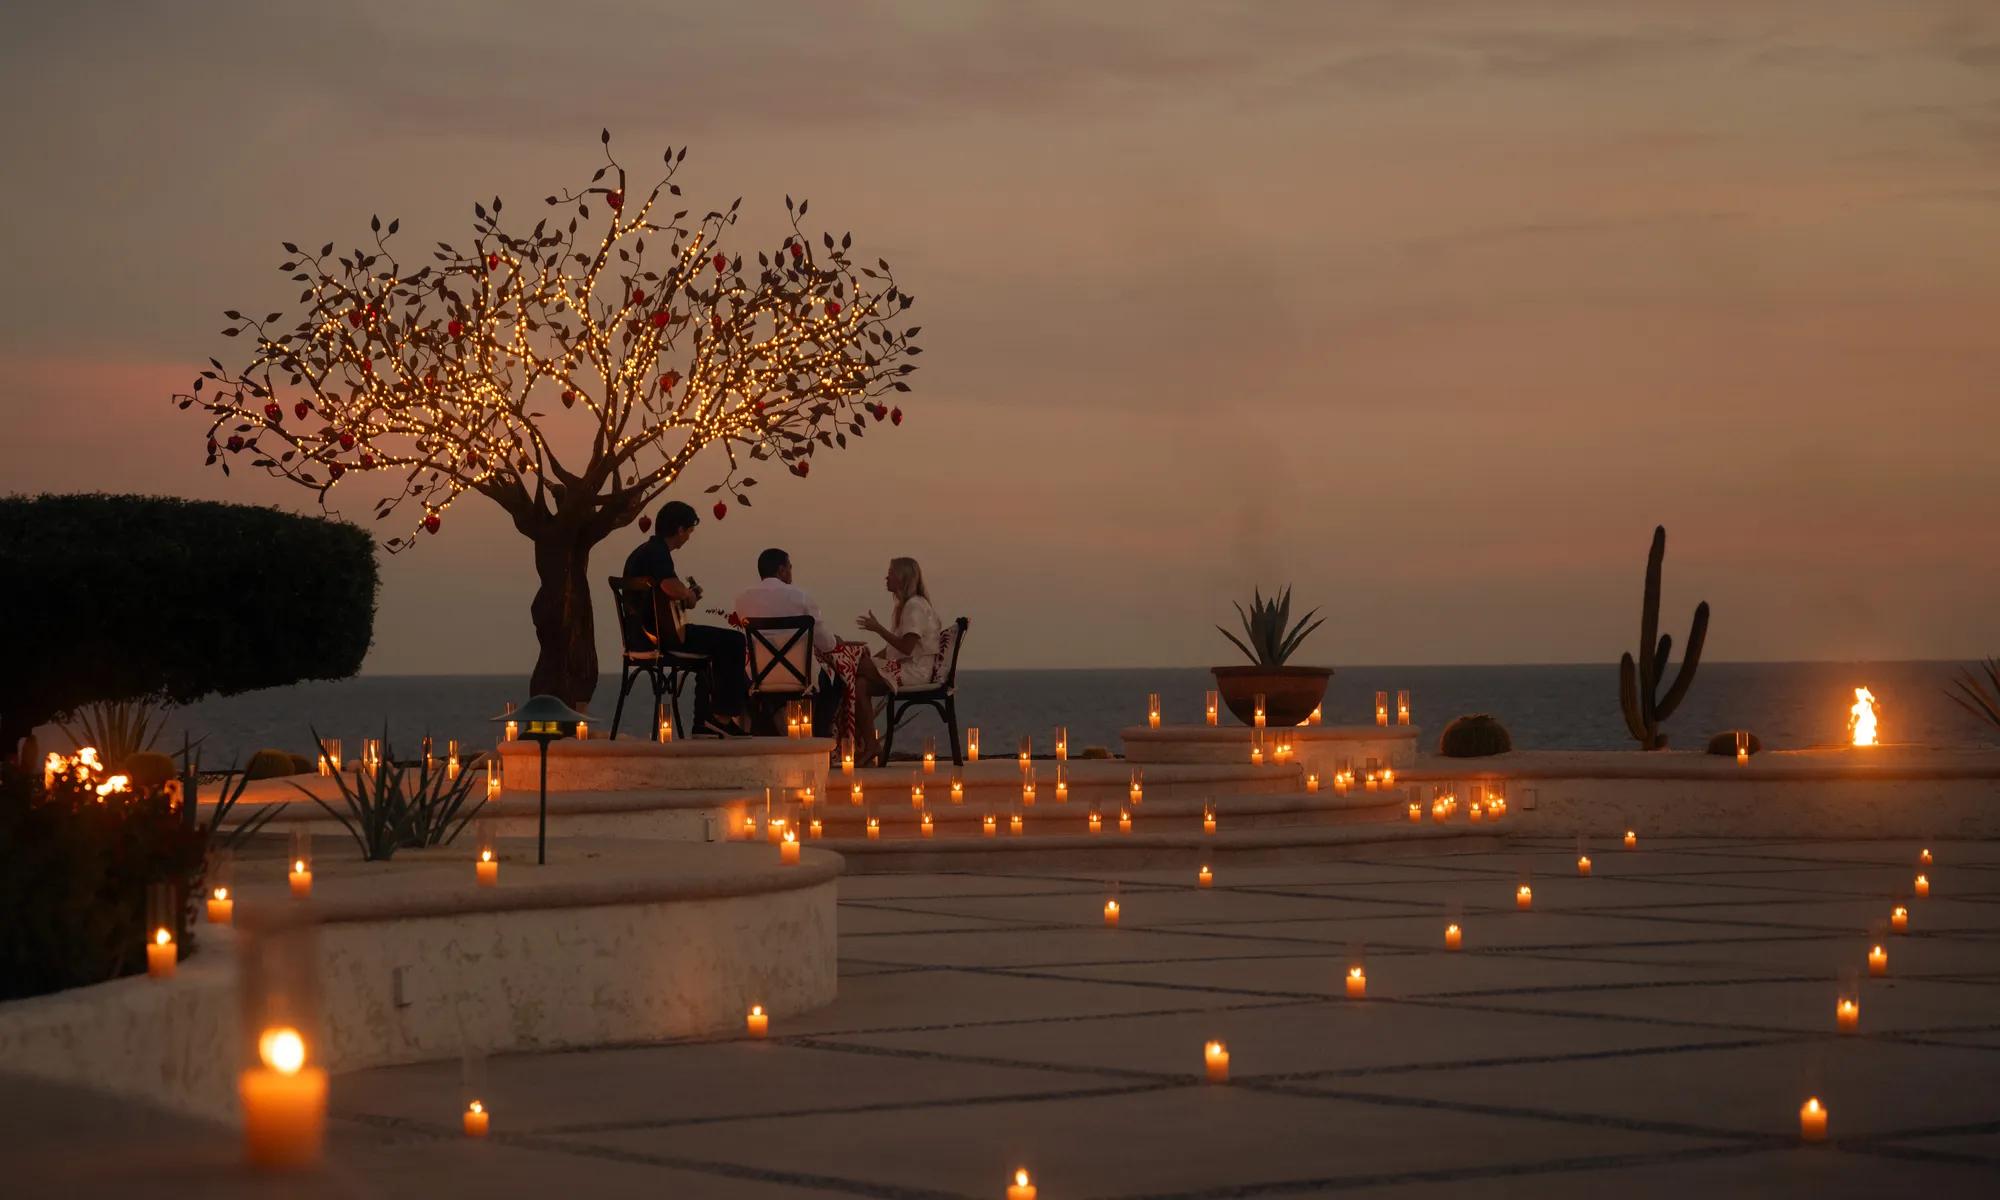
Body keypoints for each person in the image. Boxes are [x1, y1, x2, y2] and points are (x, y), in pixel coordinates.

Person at [622, 500, 747, 735]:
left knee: (710, 650)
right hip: (660, 638)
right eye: (689, 531)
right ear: (679, 530)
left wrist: (685, 597)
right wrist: (689, 595)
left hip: (640, 638)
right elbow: (669, 586)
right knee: (734, 641)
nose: (688, 537)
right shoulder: (658, 552)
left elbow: (661, 595)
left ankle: (704, 724)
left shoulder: (641, 552)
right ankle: (720, 717)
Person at [732, 548, 846, 735]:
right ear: (781, 570)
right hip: (802, 678)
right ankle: (819, 738)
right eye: (790, 567)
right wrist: (836, 641)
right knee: (835, 684)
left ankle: (766, 734)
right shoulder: (800, 596)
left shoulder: (743, 599)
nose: (791, 572)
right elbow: (826, 644)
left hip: (759, 677)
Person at [843, 557, 943, 764]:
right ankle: (871, 745)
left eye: (890, 573)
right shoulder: (906, 606)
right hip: (903, 667)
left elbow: (906, 647)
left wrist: (878, 629)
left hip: (914, 672)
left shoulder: (914, 606)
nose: (886, 578)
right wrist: (871, 658)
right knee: (860, 685)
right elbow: (894, 649)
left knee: (852, 667)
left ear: (902, 578)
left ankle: (844, 735)